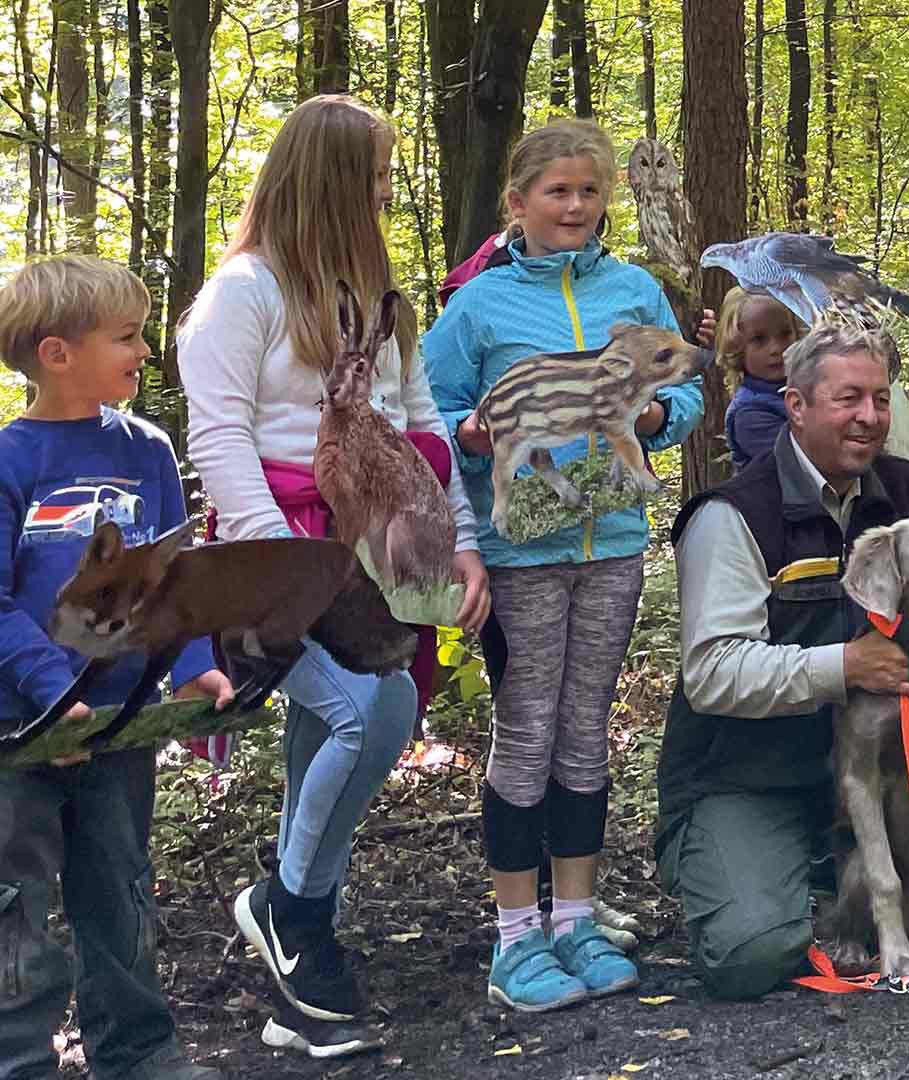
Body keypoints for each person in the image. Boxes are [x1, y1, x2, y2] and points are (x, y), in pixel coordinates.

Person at [178, 95, 489, 1057]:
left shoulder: (376, 295)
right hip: (272, 552)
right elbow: (219, 435)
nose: (389, 194)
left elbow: (420, 427)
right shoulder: (244, 292)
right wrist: (286, 566)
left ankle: (295, 992)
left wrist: (462, 543)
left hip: (376, 543)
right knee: (369, 713)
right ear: (332, 181)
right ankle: (292, 914)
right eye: (378, 176)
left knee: (347, 731)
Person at [656, 324, 909, 1000]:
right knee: (750, 955)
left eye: (880, 398)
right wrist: (843, 666)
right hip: (760, 772)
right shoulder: (733, 517)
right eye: (848, 399)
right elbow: (712, 673)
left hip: (876, 754)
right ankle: (796, 872)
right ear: (797, 405)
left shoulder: (904, 487)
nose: (869, 417)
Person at [425, 118, 704, 1012]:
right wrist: (471, 440)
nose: (575, 206)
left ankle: (576, 917)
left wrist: (664, 419)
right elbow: (432, 416)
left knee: (587, 727)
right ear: (519, 204)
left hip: (613, 542)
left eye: (589, 192)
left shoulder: (632, 290)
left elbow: (687, 384)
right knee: (528, 725)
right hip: (522, 551)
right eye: (557, 192)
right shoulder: (479, 305)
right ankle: (515, 937)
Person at [0, 256, 234, 1079]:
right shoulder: (11, 460)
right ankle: (18, 1059)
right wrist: (45, 694)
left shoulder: (149, 453)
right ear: (57, 353)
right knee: (17, 903)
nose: (144, 351)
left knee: (121, 885)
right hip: (16, 731)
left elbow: (172, 579)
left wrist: (193, 667)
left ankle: (139, 1052)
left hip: (120, 722)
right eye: (127, 337)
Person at [717, 286, 804, 469]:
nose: (776, 348)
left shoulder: (805, 386)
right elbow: (806, 461)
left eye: (785, 334)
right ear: (737, 349)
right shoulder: (749, 414)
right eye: (759, 339)